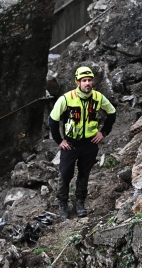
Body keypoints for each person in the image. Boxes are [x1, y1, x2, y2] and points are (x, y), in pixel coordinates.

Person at [49, 66, 116, 218]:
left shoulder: (98, 97)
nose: (87, 83)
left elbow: (112, 113)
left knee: (84, 173)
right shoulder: (66, 98)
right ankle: (63, 202)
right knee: (65, 173)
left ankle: (79, 202)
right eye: (84, 81)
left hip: (90, 143)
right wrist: (59, 140)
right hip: (71, 143)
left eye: (90, 80)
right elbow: (52, 120)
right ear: (77, 82)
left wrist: (103, 132)